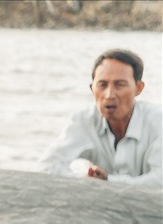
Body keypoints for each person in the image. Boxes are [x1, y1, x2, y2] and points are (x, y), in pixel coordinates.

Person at [40, 50, 159, 185]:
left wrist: (107, 181)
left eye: (119, 85)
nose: (109, 95)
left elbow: (160, 180)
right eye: (102, 85)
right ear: (92, 89)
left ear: (138, 88)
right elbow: (47, 167)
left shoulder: (158, 123)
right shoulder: (84, 121)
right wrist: (85, 181)